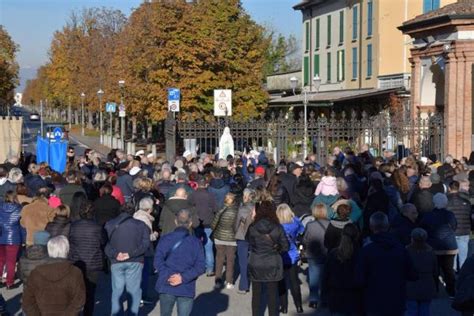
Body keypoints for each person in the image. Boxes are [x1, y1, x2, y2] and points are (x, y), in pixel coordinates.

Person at [355, 212, 417, 316]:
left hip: (374, 300)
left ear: (371, 227)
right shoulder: (401, 249)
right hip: (396, 299)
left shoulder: (366, 251)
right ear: (387, 226)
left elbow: (359, 278)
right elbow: (412, 274)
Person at [154, 209, 205, 316]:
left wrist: (167, 275)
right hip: (186, 286)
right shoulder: (196, 243)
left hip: (166, 283)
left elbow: (158, 261)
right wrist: (183, 277)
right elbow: (200, 266)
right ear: (190, 223)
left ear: (175, 221)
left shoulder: (165, 239)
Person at [105, 204, 151, 316]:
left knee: (117, 291)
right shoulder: (141, 225)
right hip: (135, 260)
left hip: (116, 261)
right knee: (134, 291)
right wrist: (130, 254)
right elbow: (145, 244)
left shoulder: (109, 224)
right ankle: (132, 313)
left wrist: (116, 254)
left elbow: (105, 244)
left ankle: (117, 314)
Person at [22, 236, 86, 315]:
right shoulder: (75, 272)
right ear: (67, 250)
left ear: (49, 250)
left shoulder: (36, 273)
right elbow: (79, 300)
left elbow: (27, 302)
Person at [247, 200, 289, 316]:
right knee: (272, 294)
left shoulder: (253, 227)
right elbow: (286, 246)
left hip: (256, 261)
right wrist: (277, 248)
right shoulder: (278, 227)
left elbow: (248, 241)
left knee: (256, 294)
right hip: (272, 262)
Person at [69, 203, 106, 316]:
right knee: (90, 293)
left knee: (76, 292)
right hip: (93, 263)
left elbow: (70, 241)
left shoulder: (74, 226)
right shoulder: (98, 227)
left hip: (77, 262)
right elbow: (103, 242)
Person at [420, 193, 458, 297]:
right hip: (449, 246)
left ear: (434, 203)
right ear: (445, 202)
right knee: (449, 270)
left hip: (433, 246)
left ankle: (434, 291)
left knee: (434, 270)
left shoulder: (428, 215)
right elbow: (454, 226)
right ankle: (451, 292)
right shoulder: (450, 214)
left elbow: (423, 229)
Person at [322, 223, 363, 316]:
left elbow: (325, 277)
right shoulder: (361, 254)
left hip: (337, 297)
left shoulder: (333, 254)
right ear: (357, 235)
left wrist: (324, 297)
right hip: (354, 299)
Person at [276, 204, 304, 314]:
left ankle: (284, 307)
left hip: (280, 255)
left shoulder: (277, 225)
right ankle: (299, 306)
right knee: (294, 282)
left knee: (281, 282)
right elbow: (302, 231)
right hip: (292, 255)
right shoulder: (295, 221)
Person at [302, 203, 330, 309]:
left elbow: (305, 239)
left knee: (313, 277)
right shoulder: (329, 224)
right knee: (325, 277)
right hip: (326, 252)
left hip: (312, 253)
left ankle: (313, 300)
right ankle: (324, 299)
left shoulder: (310, 225)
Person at [405, 228, 438, 316]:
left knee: (411, 310)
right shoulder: (431, 252)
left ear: (412, 238)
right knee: (425, 310)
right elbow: (435, 271)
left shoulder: (406, 251)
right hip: (427, 285)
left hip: (410, 286)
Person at [189, 176, 218, 276]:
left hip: (196, 222)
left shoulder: (193, 194)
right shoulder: (210, 195)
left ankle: (198, 268)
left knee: (197, 246)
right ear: (206, 184)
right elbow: (215, 209)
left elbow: (189, 207)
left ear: (197, 184)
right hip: (208, 222)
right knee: (208, 246)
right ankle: (209, 269)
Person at [133, 197, 159, 303]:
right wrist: (156, 234)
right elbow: (148, 237)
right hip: (146, 250)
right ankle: (142, 296)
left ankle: (138, 295)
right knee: (144, 274)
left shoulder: (136, 215)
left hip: (136, 248)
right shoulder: (145, 220)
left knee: (138, 274)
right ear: (149, 208)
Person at [211, 192, 238, 290]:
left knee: (219, 260)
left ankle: (218, 281)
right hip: (232, 238)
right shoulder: (236, 211)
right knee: (230, 260)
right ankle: (229, 282)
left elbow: (213, 225)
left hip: (219, 237)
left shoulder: (220, 210)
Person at [234, 188, 256, 294]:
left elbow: (236, 224)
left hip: (242, 236)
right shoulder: (257, 208)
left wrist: (235, 233)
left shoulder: (242, 209)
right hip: (254, 237)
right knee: (253, 260)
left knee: (242, 262)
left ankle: (244, 285)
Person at [446, 181, 471, 270]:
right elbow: (470, 215)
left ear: (449, 188)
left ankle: (453, 274)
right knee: (463, 256)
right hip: (464, 231)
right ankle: (462, 275)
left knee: (452, 256)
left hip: (451, 232)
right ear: (458, 187)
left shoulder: (446, 200)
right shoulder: (466, 200)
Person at [0, 191, 22, 288]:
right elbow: (22, 226)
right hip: (14, 238)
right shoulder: (19, 208)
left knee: (1, 260)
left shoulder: (0, 208)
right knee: (11, 261)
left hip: (1, 236)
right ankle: (9, 282)